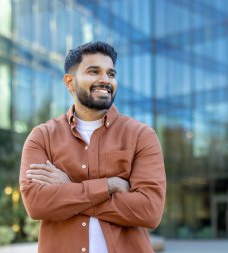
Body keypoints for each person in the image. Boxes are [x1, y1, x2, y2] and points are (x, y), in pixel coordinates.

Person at [19, 41, 166, 253]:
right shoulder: (41, 137)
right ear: (70, 82)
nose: (105, 80)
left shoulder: (141, 136)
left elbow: (149, 211)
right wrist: (108, 186)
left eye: (111, 74)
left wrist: (69, 188)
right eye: (93, 71)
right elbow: (36, 204)